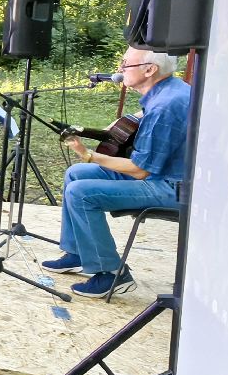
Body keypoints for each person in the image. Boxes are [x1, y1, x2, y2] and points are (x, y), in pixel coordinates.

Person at [43, 48, 191, 298]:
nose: (120, 69)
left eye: (125, 64)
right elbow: (151, 113)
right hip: (162, 175)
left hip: (174, 187)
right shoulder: (172, 89)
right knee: (76, 174)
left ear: (150, 69)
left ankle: (112, 273)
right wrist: (130, 118)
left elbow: (139, 170)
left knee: (81, 193)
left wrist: (89, 154)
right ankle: (79, 253)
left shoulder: (165, 106)